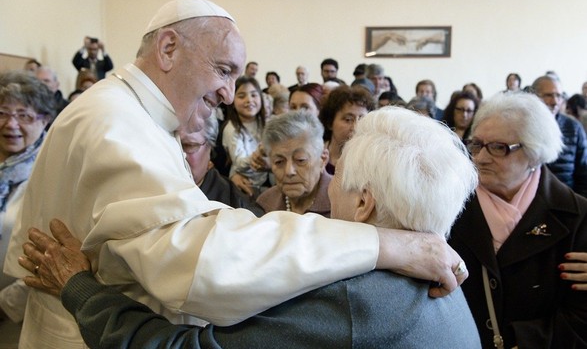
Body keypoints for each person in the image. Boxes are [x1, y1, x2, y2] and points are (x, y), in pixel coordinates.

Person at [5, 0, 466, 348]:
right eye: (223, 70)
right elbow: (206, 264)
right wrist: (387, 243)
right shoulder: (115, 121)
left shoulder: (133, 115)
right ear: (168, 48)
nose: (229, 93)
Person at [20, 107, 482, 349]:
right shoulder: (439, 274)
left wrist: (79, 286)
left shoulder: (355, 301)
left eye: (335, 174)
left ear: (364, 204)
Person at [451, 92, 587, 348]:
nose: (480, 158)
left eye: (499, 148)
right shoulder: (449, 206)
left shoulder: (576, 217)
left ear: (535, 154)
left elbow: (581, 317)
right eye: (477, 144)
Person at [0, 71, 54, 348]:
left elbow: (49, 257)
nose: (11, 124)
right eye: (3, 113)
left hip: (16, 316)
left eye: (24, 115)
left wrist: (5, 306)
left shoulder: (52, 171)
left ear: (44, 121)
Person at [181, 114, 264, 216]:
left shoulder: (239, 208)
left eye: (188, 146)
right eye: (170, 144)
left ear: (210, 150)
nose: (177, 153)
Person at [256, 110, 331, 216]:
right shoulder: (266, 204)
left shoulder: (346, 204)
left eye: (300, 160)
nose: (289, 171)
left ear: (323, 159)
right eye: (279, 162)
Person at [532, 75, 587, 197]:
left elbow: (583, 174)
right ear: (534, 96)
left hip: (567, 202)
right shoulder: (521, 127)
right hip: (530, 204)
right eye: (549, 95)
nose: (555, 101)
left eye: (559, 96)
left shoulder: (574, 128)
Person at [221, 76, 269, 197]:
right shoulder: (231, 128)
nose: (249, 100)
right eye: (242, 96)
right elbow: (239, 162)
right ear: (232, 101)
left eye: (254, 95)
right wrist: (258, 154)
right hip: (244, 183)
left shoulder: (268, 124)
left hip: (267, 181)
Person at [319, 85, 375, 175]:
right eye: (348, 119)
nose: (356, 127)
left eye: (362, 119)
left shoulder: (371, 162)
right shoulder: (316, 155)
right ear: (330, 122)